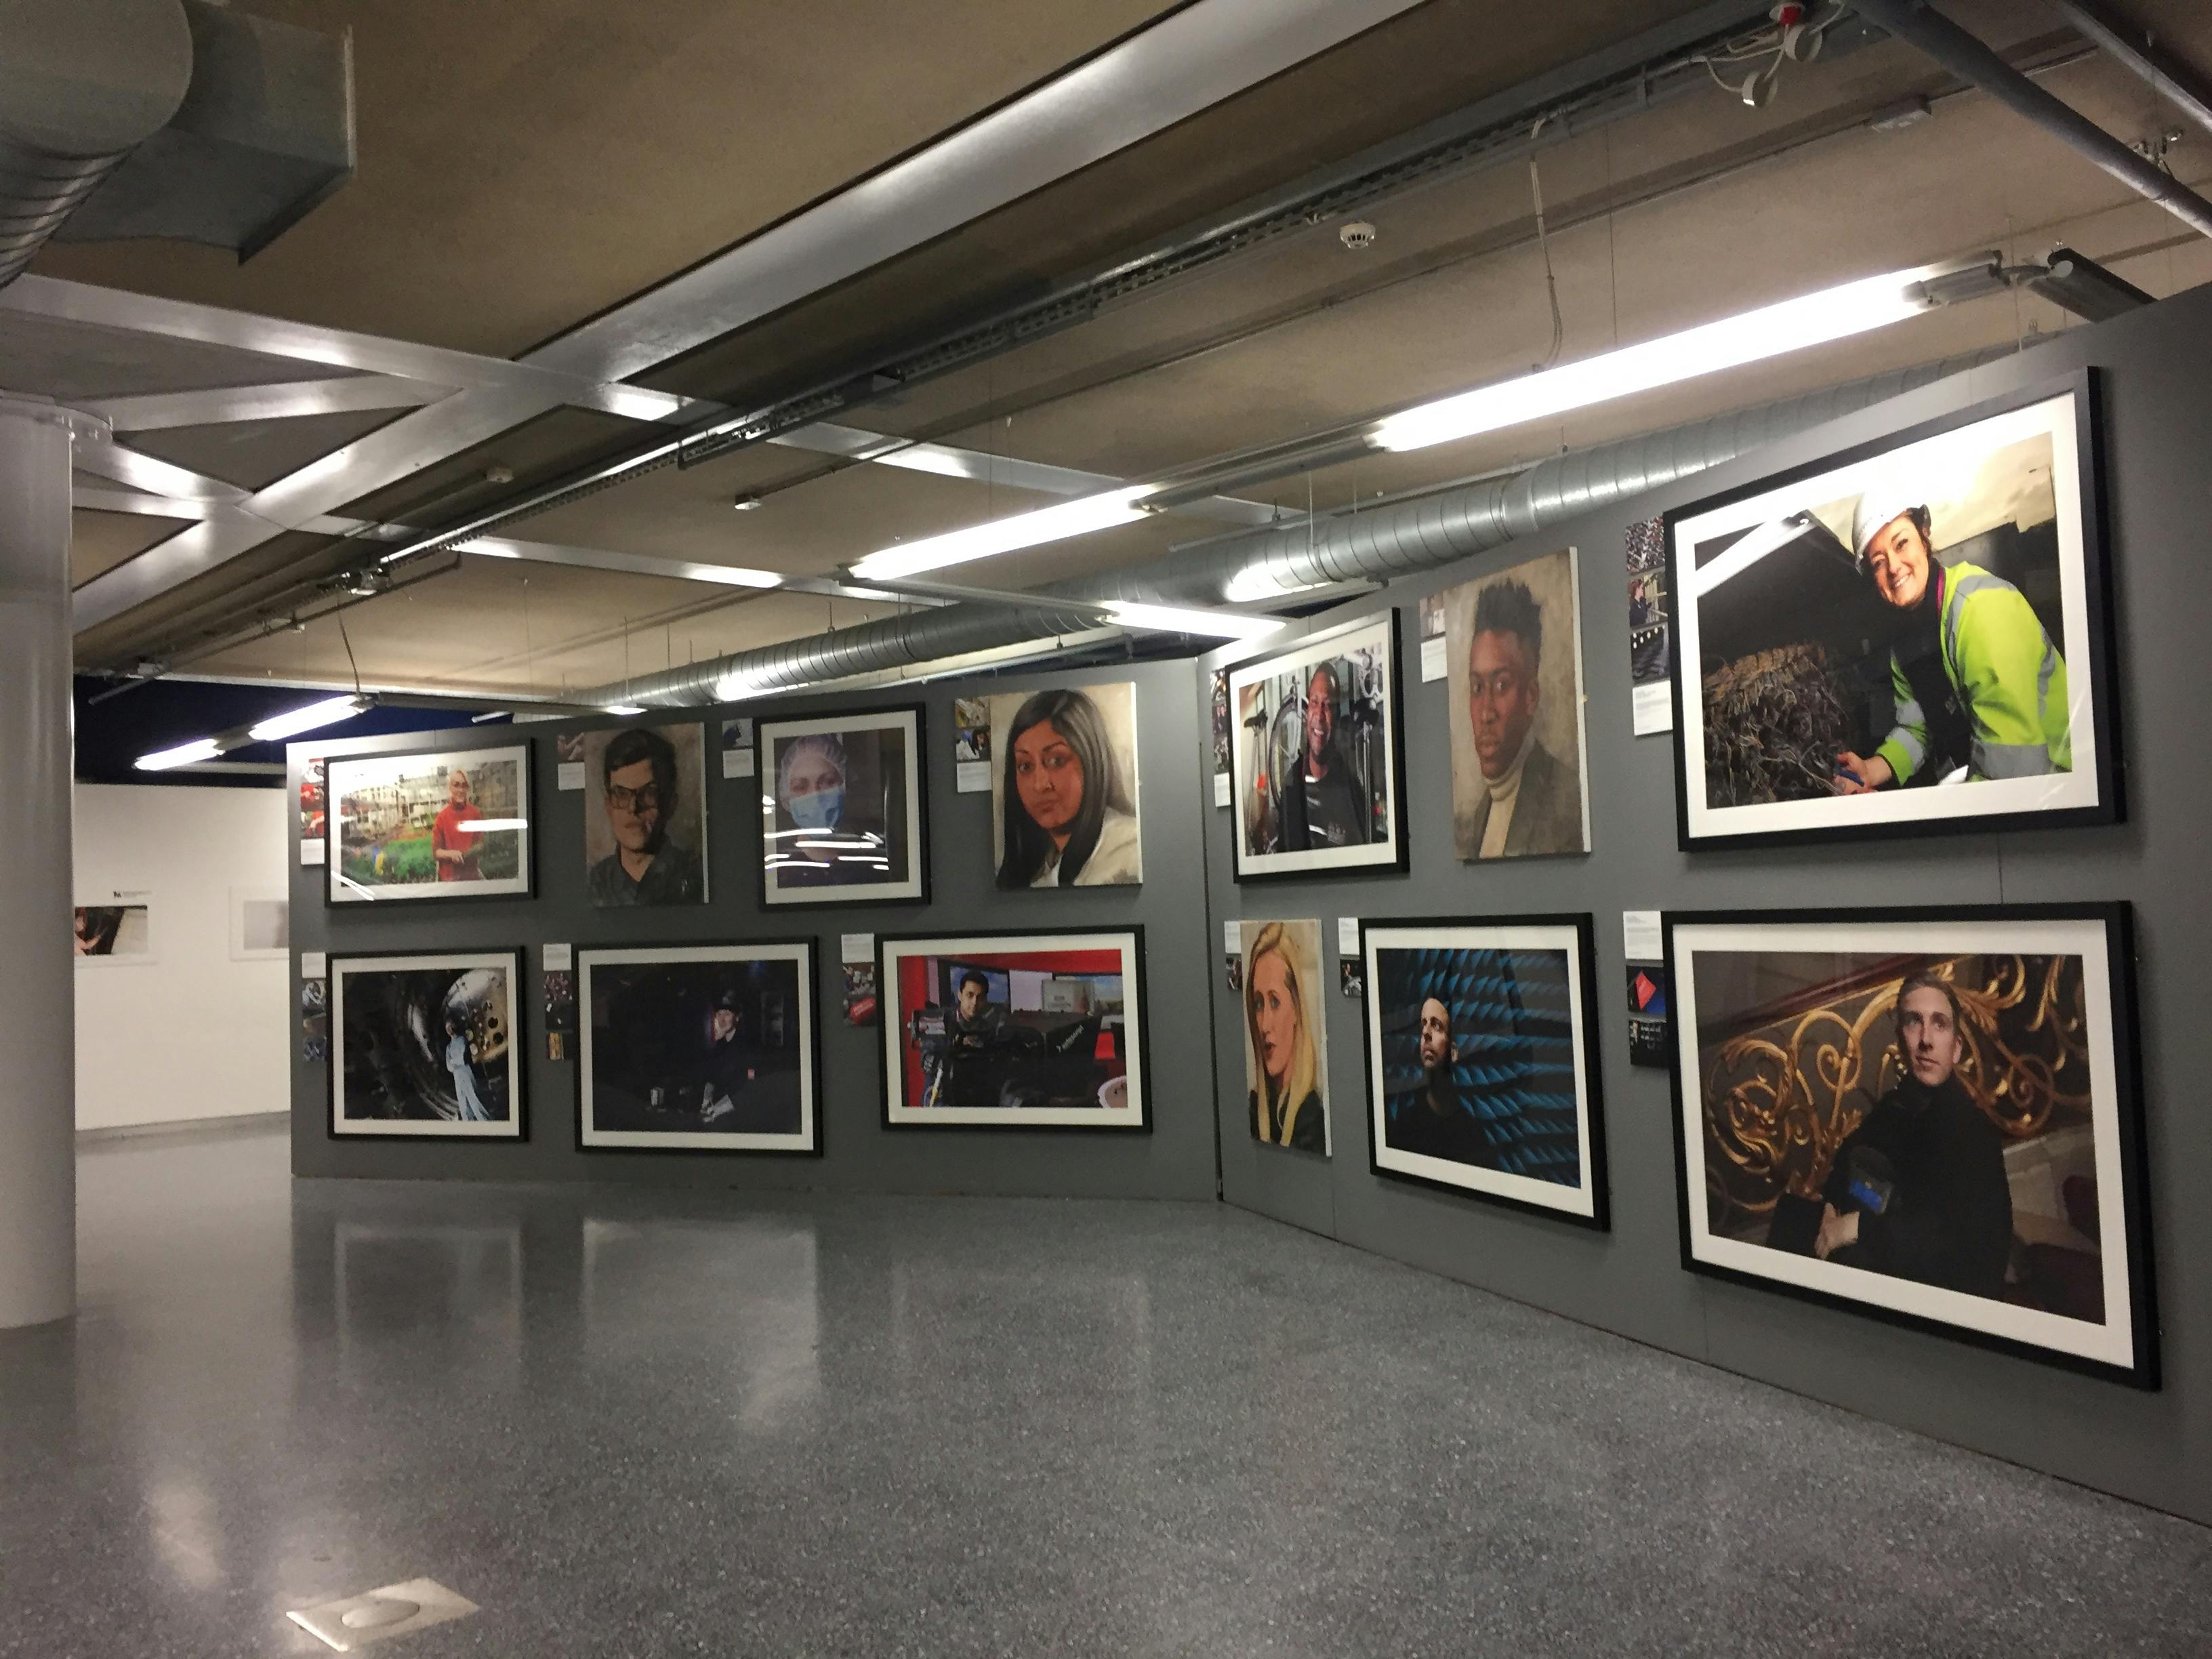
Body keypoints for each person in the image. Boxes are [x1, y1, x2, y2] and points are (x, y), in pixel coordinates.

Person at [1834, 482, 2072, 792]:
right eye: (1878, 562)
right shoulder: (1904, 644)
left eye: (1901, 543)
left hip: (2061, 782)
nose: (1893, 567)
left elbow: (2014, 773)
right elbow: (1917, 728)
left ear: (1924, 535)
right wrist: (1872, 769)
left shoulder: (1980, 610)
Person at [1790, 972, 2013, 1299]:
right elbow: (1849, 1161)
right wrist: (1832, 1206)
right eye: (1913, 1022)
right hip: (1874, 1266)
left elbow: (1963, 1251)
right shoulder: (1894, 1107)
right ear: (1900, 1041)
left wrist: (1857, 1228)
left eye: (1939, 1024)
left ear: (1956, 1048)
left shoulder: (1974, 1134)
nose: (1926, 1039)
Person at [1460, 579, 1582, 857]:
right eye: (1478, 688)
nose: (1486, 712)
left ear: (1530, 696)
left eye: (1501, 685)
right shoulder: (1480, 814)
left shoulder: (1565, 798)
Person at [995, 687, 1141, 888]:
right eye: (1025, 766)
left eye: (1057, 761)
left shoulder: (1126, 852)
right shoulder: (1041, 864)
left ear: (1091, 761)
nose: (1040, 785)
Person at [588, 726, 705, 906]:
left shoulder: (695, 878)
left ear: (671, 803)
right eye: (621, 794)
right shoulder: (594, 883)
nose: (633, 808)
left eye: (648, 794)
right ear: (608, 806)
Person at [1389, 996, 1502, 1168]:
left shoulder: (1472, 1136)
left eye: (1436, 1025)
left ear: (1454, 1052)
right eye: (1423, 1025)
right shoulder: (1404, 1128)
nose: (1426, 1033)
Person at [769, 733, 891, 888]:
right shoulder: (781, 869)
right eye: (800, 787)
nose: (815, 796)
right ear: (786, 796)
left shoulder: (872, 857)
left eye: (828, 782)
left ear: (846, 787)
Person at [1245, 922, 1325, 1151]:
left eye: (1275, 1002)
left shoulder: (1312, 1121)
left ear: (1297, 1010)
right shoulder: (1254, 1112)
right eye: (1258, 1004)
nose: (1264, 1025)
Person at [1276, 662, 1372, 852]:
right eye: (1314, 702)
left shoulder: (1349, 788)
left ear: (1336, 717)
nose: (1319, 715)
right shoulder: (1292, 785)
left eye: (1327, 706)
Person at [924, 970, 1014, 1107]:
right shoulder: (943, 1021)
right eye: (970, 995)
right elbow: (928, 1052)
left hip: (974, 1098)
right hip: (942, 1093)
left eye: (980, 997)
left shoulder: (988, 1029)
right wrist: (930, 1058)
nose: (974, 1002)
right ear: (960, 995)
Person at [430, 766, 484, 882]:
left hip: (471, 877)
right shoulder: (442, 817)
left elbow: (480, 843)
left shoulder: (475, 813)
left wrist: (470, 853)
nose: (461, 790)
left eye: (464, 785)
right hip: (450, 879)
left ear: (468, 788)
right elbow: (436, 852)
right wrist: (451, 854)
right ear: (450, 788)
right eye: (456, 785)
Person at [444, 1015, 491, 1122]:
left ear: (454, 1026)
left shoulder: (462, 1039)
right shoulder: (449, 1047)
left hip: (465, 1072)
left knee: (474, 1099)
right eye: (447, 1028)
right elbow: (449, 1066)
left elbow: (463, 1058)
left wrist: (454, 1061)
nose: (449, 1029)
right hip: (457, 1077)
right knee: (463, 1104)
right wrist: (454, 1062)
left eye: (451, 1026)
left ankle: (485, 1122)